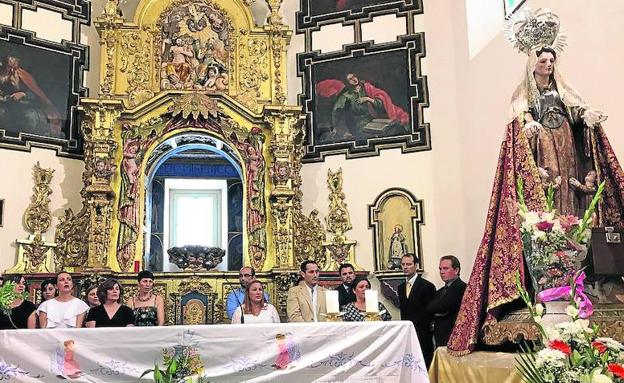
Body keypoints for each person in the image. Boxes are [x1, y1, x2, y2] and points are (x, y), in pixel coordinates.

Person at [447, 8, 624, 356]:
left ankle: (580, 277)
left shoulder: (563, 91)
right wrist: (526, 125)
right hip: (541, 156)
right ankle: (548, 282)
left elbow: (576, 111)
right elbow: (518, 112)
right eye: (542, 60)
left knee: (572, 208)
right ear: (532, 62)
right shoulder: (525, 92)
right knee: (549, 207)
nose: (547, 65)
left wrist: (586, 117)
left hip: (567, 151)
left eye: (550, 60)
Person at [316, 73, 409, 142]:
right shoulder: (346, 95)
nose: (354, 79)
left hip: (374, 120)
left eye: (354, 77)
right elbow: (336, 111)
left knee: (395, 127)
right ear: (347, 82)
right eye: (350, 79)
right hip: (360, 125)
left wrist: (368, 99)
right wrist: (335, 127)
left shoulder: (367, 88)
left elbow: (381, 102)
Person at [0, 55, 63, 137]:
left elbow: (36, 95)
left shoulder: (24, 76)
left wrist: (23, 94)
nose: (12, 71)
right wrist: (6, 98)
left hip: (26, 107)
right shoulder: (2, 77)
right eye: (9, 67)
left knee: (32, 117)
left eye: (14, 68)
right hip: (6, 107)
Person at [398, 253, 435, 367]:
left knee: (424, 363)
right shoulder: (400, 287)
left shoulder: (427, 286)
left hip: (423, 333)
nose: (405, 267)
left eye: (409, 264)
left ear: (416, 265)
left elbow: (431, 311)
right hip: (407, 332)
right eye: (403, 264)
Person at [425, 256, 467, 348]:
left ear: (456, 270)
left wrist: (436, 310)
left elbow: (441, 306)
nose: (442, 272)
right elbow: (429, 308)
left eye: (445, 268)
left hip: (454, 335)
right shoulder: (440, 291)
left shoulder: (462, 288)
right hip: (440, 335)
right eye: (440, 269)